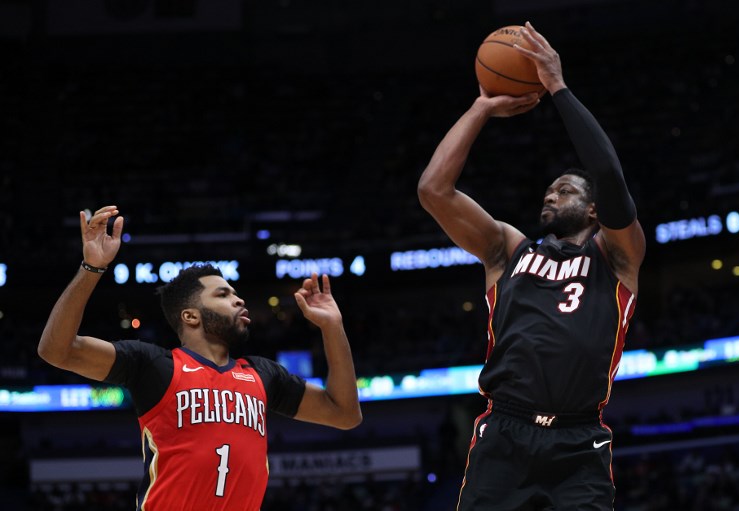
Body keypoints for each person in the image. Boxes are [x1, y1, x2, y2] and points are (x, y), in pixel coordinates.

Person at [417, 22, 645, 510]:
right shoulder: (509, 248)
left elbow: (607, 174)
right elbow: (433, 191)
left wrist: (557, 86)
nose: (550, 193)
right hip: (504, 431)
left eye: (565, 189)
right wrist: (481, 108)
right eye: (549, 189)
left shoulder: (617, 255)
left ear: (592, 209)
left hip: (579, 440)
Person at [38, 205, 362, 510]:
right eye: (223, 295)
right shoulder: (154, 366)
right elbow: (57, 350)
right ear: (191, 316)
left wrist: (333, 327)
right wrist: (92, 267)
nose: (238, 300)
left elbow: (345, 413)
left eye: (236, 293)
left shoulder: (263, 375)